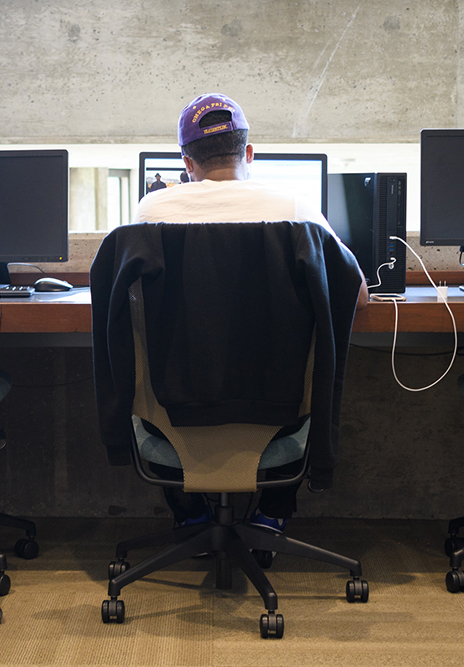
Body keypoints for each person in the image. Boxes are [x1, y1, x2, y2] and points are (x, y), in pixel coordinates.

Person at [134, 92, 368, 534]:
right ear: (249, 152)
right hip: (278, 412)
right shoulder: (296, 212)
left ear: (187, 163)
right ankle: (273, 514)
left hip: (174, 411)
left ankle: (192, 516)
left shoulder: (150, 213)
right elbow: (356, 297)